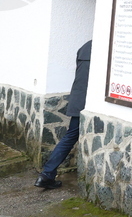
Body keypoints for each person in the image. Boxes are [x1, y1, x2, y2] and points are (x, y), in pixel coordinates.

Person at [35, 40, 92, 189]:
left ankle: (46, 174)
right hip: (90, 100)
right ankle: (47, 174)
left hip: (78, 98)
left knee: (69, 137)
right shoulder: (105, 47)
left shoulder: (84, 47)